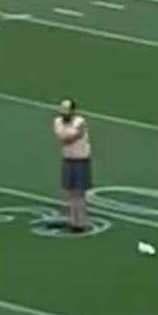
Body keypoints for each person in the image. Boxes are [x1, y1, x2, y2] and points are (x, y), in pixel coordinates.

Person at [53, 98, 92, 232]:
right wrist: (66, 136)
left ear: (73, 111)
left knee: (79, 193)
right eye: (62, 109)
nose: (63, 112)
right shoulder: (58, 121)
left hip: (81, 160)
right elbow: (62, 138)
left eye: (66, 109)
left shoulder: (80, 122)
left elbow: (68, 138)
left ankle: (81, 222)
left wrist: (66, 136)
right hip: (68, 159)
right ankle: (72, 220)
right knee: (69, 192)